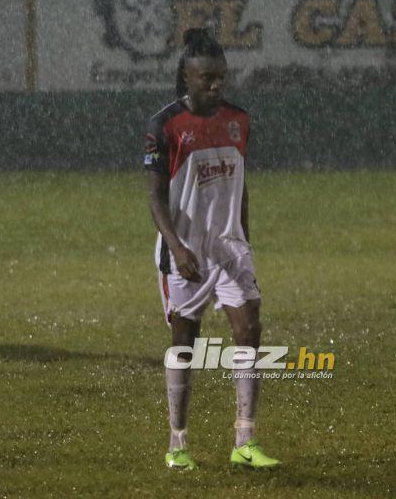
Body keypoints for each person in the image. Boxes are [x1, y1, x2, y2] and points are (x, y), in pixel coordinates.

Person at [145, 28, 279, 470]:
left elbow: (241, 184)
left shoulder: (239, 120)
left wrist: (245, 239)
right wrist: (177, 247)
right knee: (185, 343)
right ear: (187, 77)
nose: (216, 85)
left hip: (229, 247)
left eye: (221, 77)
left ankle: (245, 441)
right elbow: (155, 199)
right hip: (186, 250)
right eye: (207, 78)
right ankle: (177, 444)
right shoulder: (165, 126)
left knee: (250, 328)